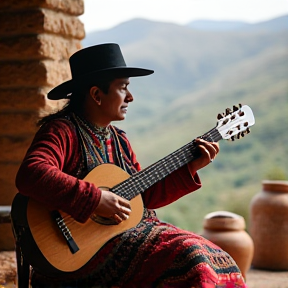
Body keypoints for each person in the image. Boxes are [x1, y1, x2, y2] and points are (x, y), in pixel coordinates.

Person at [15, 43, 247, 288]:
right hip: (80, 253)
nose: (130, 97)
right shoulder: (62, 131)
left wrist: (191, 166)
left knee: (218, 259)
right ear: (96, 94)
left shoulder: (119, 139)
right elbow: (31, 173)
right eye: (123, 87)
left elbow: (143, 198)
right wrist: (94, 200)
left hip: (124, 236)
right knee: (192, 258)